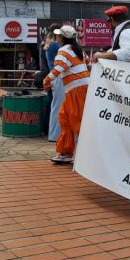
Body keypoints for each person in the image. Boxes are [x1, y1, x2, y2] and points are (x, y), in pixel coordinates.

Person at [43, 25, 91, 164]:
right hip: (79, 88)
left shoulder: (63, 51)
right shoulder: (78, 50)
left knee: (76, 121)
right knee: (65, 118)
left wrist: (46, 80)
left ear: (61, 38)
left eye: (58, 35)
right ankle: (66, 152)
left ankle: (85, 154)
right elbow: (90, 65)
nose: (57, 37)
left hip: (76, 90)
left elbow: (58, 68)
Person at [44, 25, 65, 142]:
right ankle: (55, 134)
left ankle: (53, 133)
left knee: (55, 106)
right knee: (57, 107)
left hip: (54, 77)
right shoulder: (55, 45)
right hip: (58, 77)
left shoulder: (49, 44)